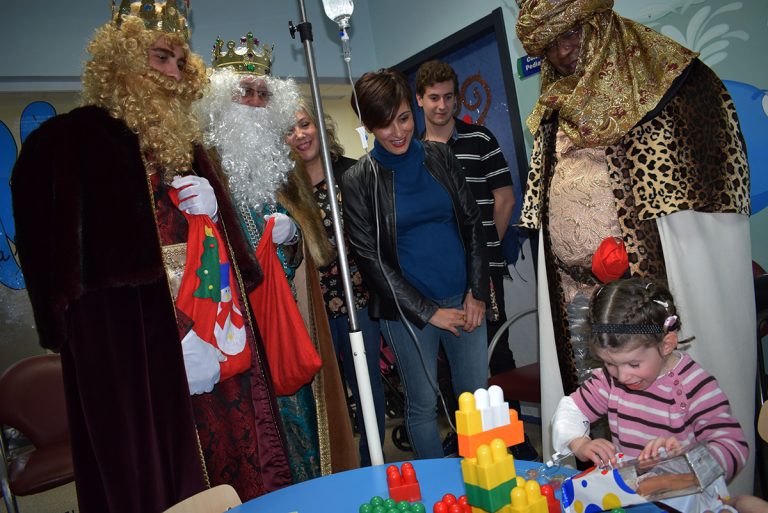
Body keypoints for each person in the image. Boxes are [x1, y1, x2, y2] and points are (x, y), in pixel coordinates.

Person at [10, 2, 292, 511]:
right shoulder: (65, 142)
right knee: (157, 481)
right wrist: (165, 345)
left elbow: (237, 263)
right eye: (161, 57)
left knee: (239, 468)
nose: (173, 74)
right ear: (119, 59)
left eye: (181, 63)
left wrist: (215, 218)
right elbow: (57, 281)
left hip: (214, 337)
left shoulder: (190, 147)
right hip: (134, 357)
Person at [515, 0, 755, 492]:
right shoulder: (555, 105)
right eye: (549, 46)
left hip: (642, 292)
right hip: (575, 295)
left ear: (598, 22)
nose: (562, 52)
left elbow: (702, 196)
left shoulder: (670, 82)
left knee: (655, 390)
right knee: (606, 389)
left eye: (571, 34)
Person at [195, 34, 356, 481]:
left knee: (304, 408)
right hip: (237, 320)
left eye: (263, 94)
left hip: (289, 312)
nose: (254, 102)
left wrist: (293, 238)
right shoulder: (202, 164)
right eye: (244, 92)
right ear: (222, 99)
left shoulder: (284, 163)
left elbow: (312, 247)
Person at [341, 68, 489, 459]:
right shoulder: (359, 180)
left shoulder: (440, 156)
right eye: (384, 124)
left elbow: (472, 224)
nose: (397, 132)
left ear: (413, 108)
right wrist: (428, 312)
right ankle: (437, 488)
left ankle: (482, 481)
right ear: (367, 125)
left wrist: (477, 291)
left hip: (464, 300)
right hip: (407, 312)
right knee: (423, 404)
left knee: (476, 401)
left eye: (404, 118)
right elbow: (370, 259)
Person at [552, 278, 748, 483]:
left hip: (682, 495)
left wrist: (686, 460)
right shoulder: (610, 381)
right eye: (610, 363)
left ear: (666, 344)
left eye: (633, 364)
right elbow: (572, 409)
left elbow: (732, 447)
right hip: (631, 492)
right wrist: (579, 443)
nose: (622, 376)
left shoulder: (695, 386)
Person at [285, 100, 386, 466]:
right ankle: (340, 465)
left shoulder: (353, 172)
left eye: (305, 124)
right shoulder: (286, 190)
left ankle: (372, 462)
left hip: (360, 301)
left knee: (367, 386)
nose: (300, 135)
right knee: (328, 393)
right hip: (313, 309)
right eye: (290, 130)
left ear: (320, 126)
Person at [415, 60, 516, 376]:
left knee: (497, 349)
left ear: (456, 99)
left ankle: (507, 410)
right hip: (439, 274)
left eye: (448, 97)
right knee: (449, 358)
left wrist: (481, 255)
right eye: (433, 98)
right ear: (419, 99)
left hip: (485, 272)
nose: (441, 105)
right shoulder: (414, 154)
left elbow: (505, 200)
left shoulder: (480, 139)